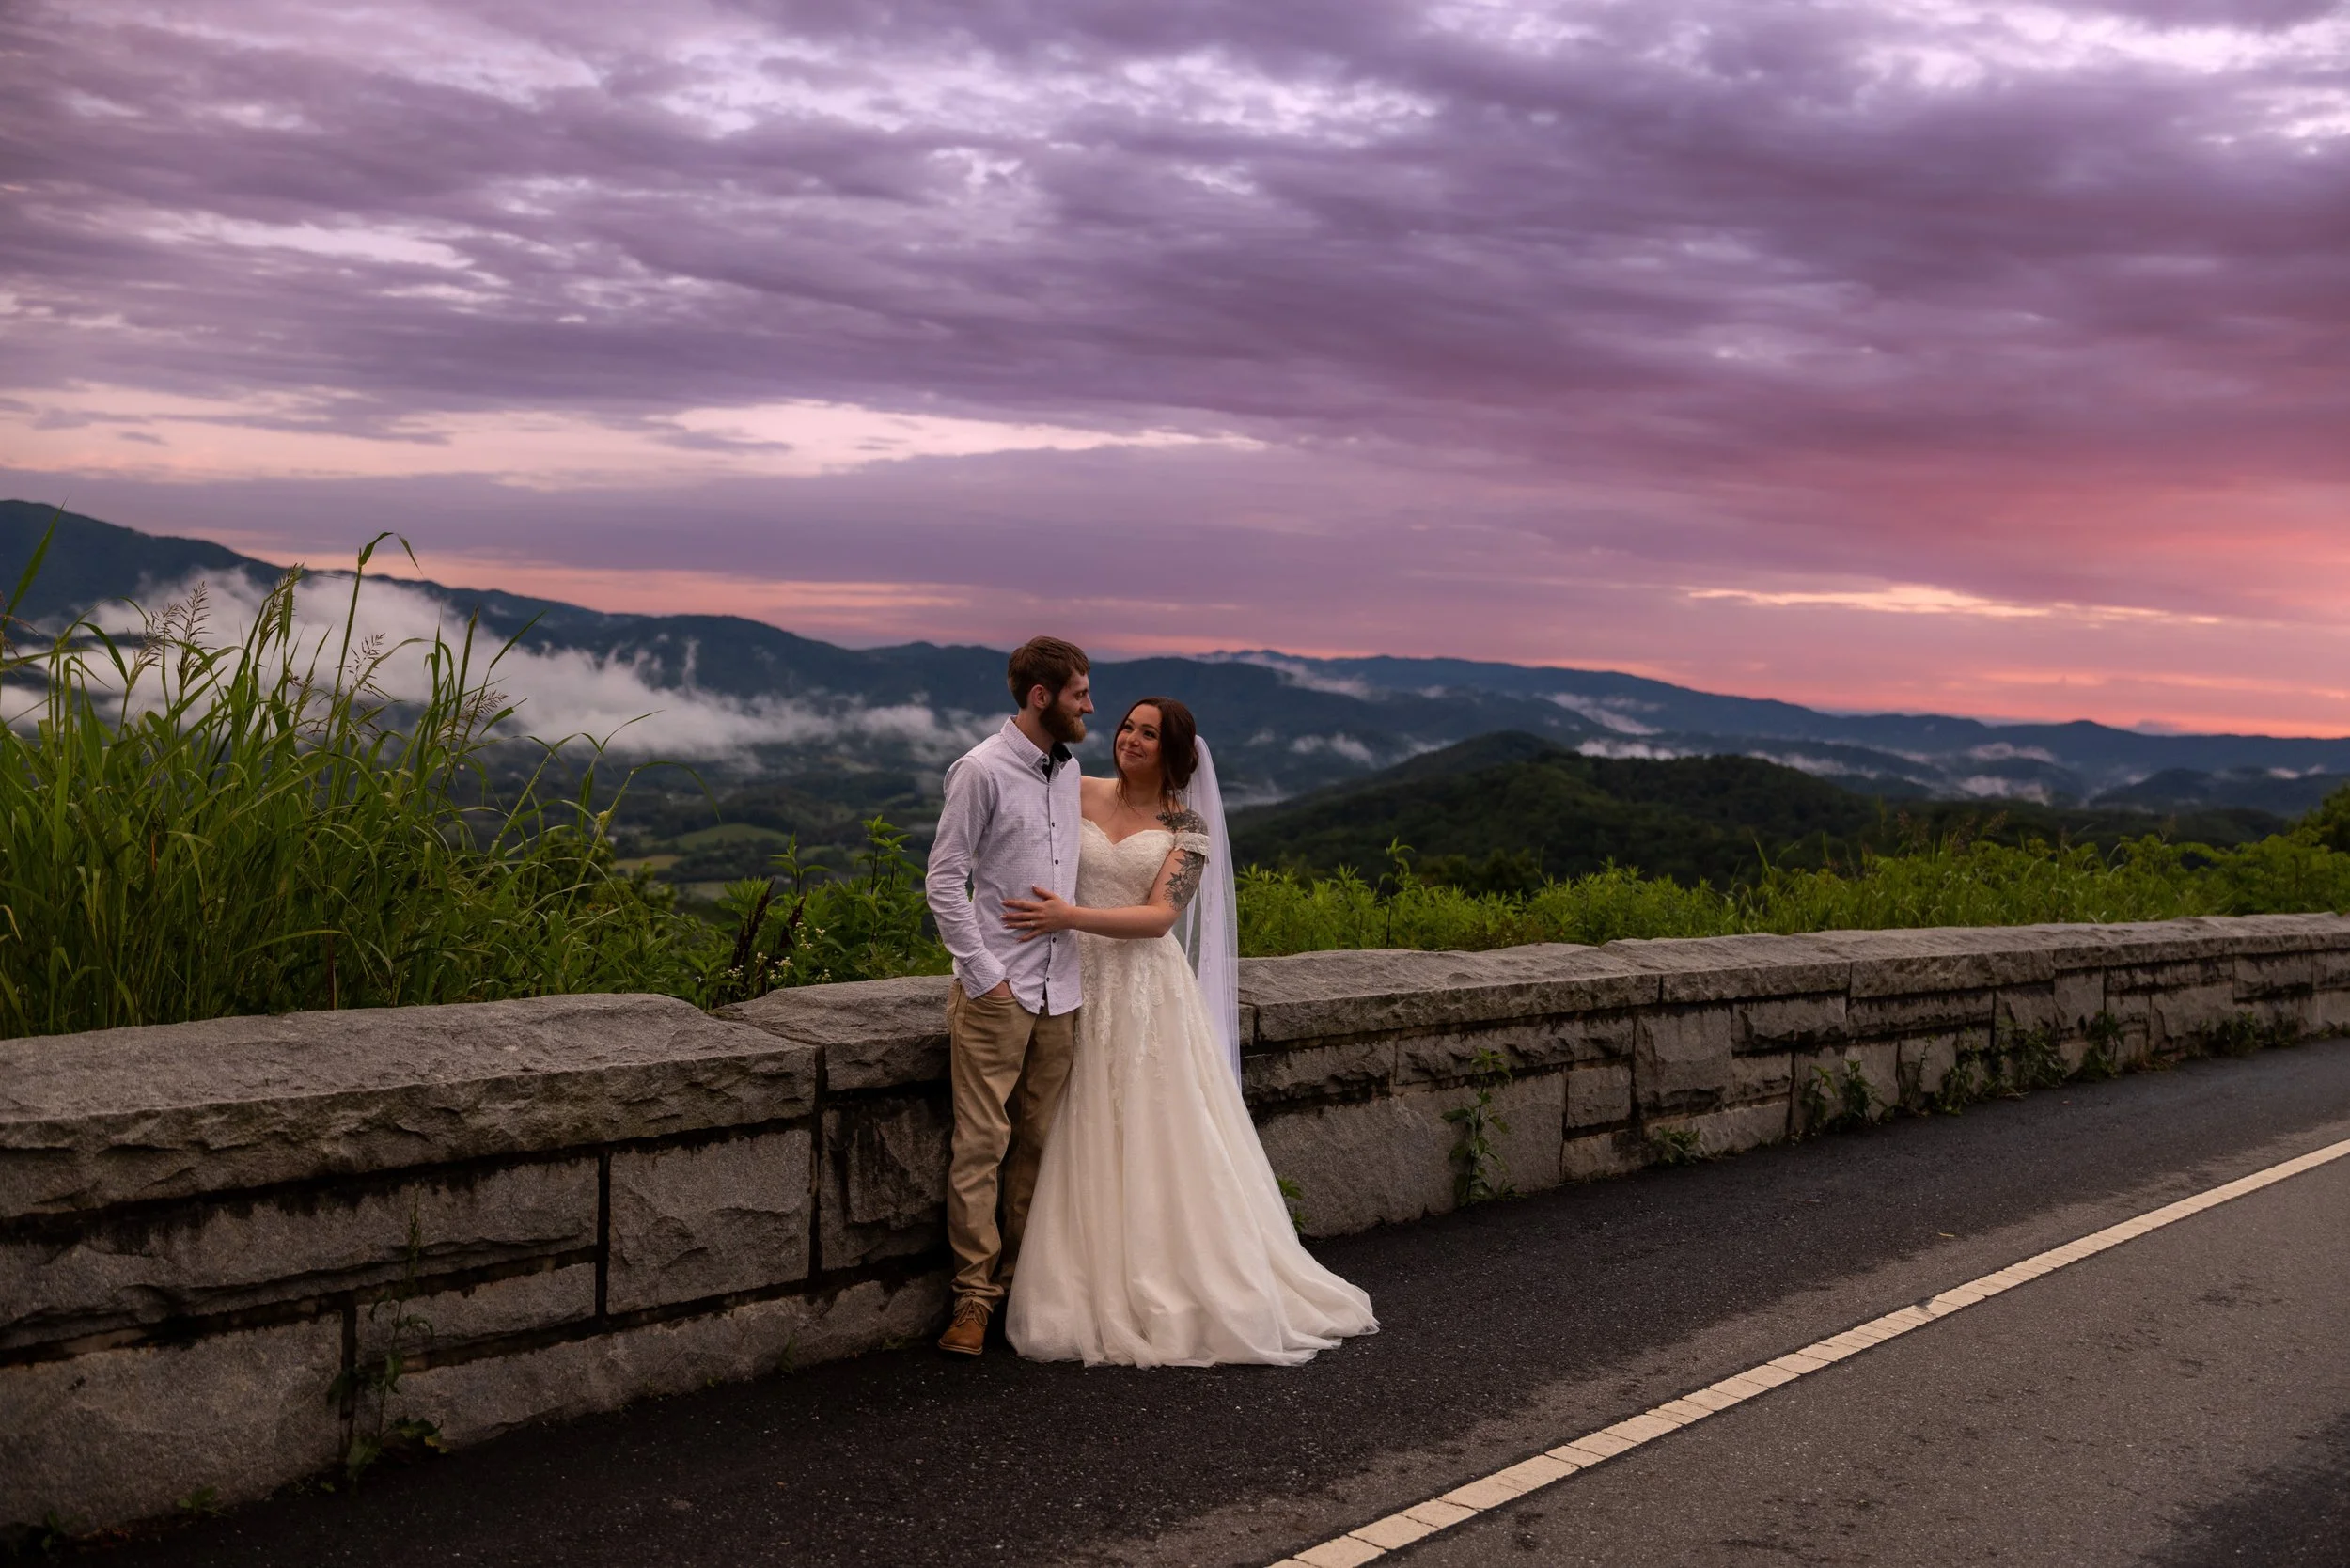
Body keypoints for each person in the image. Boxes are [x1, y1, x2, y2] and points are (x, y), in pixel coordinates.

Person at [1000, 697, 1378, 1366]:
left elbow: (1156, 919)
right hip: (1072, 978)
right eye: (1127, 727)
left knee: (1153, 1127)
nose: (1131, 740)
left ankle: (1164, 1278)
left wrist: (1069, 916)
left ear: (1174, 752)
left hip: (1144, 988)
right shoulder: (1077, 789)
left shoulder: (1188, 826)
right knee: (1074, 1120)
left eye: (1149, 734)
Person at [922, 635, 1094, 1357]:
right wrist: (983, 974)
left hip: (1062, 991)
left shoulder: (1071, 769)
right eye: (1081, 693)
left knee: (1039, 1147)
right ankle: (972, 1302)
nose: (1091, 706)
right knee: (981, 1147)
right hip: (1002, 993)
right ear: (1040, 696)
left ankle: (1024, 1289)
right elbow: (943, 879)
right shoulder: (981, 771)